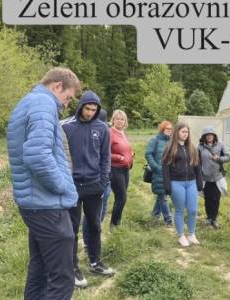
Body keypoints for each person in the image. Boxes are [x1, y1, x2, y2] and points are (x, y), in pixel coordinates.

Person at [6, 67, 80, 300]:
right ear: (57, 86)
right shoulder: (43, 104)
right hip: (47, 203)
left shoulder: (29, 102)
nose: (67, 105)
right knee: (62, 278)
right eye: (68, 98)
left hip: (36, 202)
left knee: (40, 271)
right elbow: (37, 155)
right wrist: (63, 186)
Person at [62, 91, 115, 288]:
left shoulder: (102, 128)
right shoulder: (66, 127)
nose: (90, 113)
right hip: (73, 186)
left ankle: (95, 262)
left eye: (94, 110)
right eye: (87, 108)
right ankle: (73, 268)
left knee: (94, 225)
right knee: (72, 229)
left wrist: (103, 181)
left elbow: (105, 157)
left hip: (94, 186)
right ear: (81, 106)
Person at [163, 122, 203, 247]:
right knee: (179, 210)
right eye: (183, 132)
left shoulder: (192, 147)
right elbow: (165, 168)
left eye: (187, 132)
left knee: (192, 210)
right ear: (177, 132)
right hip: (176, 183)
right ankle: (181, 235)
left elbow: (197, 166)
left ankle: (191, 234)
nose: (185, 134)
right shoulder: (170, 148)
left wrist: (199, 181)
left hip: (191, 183)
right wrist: (167, 185)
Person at [82, 109, 112, 250]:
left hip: (103, 179)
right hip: (93, 179)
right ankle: (88, 241)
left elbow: (106, 157)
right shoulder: (90, 133)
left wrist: (104, 180)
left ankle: (93, 238)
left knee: (102, 207)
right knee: (91, 215)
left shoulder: (103, 131)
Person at [197, 126, 230, 229]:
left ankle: (214, 219)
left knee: (216, 198)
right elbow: (196, 160)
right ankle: (208, 218)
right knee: (207, 198)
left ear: (214, 135)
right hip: (205, 178)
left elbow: (228, 157)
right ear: (204, 136)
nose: (209, 136)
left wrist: (219, 158)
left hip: (217, 177)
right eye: (207, 135)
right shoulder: (200, 146)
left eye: (211, 135)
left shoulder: (220, 145)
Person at [145, 121, 174, 226]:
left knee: (162, 196)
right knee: (163, 196)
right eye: (167, 129)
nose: (169, 131)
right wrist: (156, 167)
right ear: (162, 129)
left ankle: (154, 216)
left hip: (169, 173)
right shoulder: (155, 140)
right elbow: (148, 154)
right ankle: (168, 220)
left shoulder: (172, 142)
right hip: (159, 172)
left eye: (170, 129)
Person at [109, 109, 134, 230]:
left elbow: (124, 148)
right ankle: (113, 225)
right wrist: (118, 157)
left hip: (125, 169)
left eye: (122, 119)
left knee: (120, 198)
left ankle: (117, 222)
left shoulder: (123, 133)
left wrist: (131, 153)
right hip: (115, 169)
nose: (120, 121)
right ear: (113, 120)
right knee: (122, 198)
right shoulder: (110, 133)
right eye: (117, 119)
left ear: (125, 122)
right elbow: (104, 153)